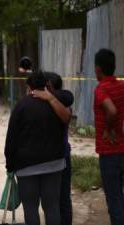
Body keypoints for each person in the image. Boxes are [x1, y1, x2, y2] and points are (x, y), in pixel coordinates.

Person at [5, 73, 66, 225]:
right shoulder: (55, 104)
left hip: (26, 167)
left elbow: (11, 138)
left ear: (29, 87)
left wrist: (10, 164)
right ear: (46, 85)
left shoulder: (21, 106)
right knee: (52, 207)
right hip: (54, 164)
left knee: (30, 208)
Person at [32, 72, 74, 225]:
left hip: (59, 157)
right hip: (55, 157)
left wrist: (48, 96)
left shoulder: (61, 100)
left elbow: (68, 100)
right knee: (56, 202)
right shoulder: (46, 101)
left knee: (58, 201)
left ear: (48, 85)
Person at [93, 49, 124, 225]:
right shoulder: (121, 86)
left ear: (98, 69)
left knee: (114, 200)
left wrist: (110, 128)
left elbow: (111, 110)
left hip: (109, 152)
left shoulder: (101, 89)